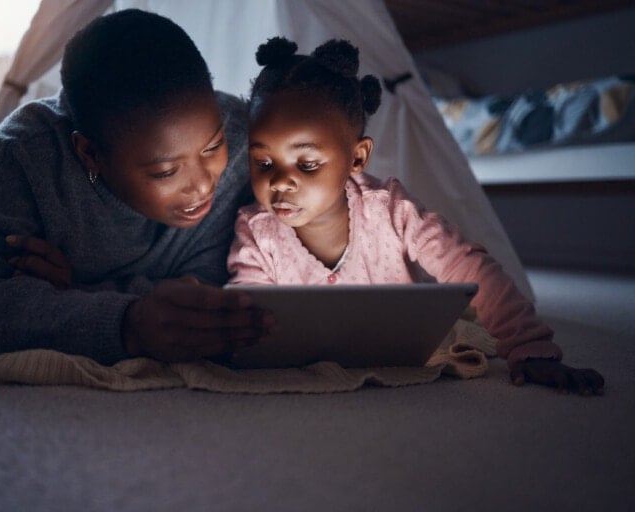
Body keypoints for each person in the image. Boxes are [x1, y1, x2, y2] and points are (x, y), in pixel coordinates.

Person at [227, 37, 604, 395]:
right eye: (262, 161)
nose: (280, 182)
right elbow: (251, 310)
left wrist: (529, 346)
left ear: (357, 157)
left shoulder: (390, 209)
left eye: (307, 164)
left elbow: (470, 268)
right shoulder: (257, 230)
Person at [0, 9, 272, 365]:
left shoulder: (247, 139)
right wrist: (129, 325)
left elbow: (232, 291)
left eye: (213, 147)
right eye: (166, 171)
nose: (202, 185)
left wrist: (74, 292)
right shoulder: (26, 156)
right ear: (89, 154)